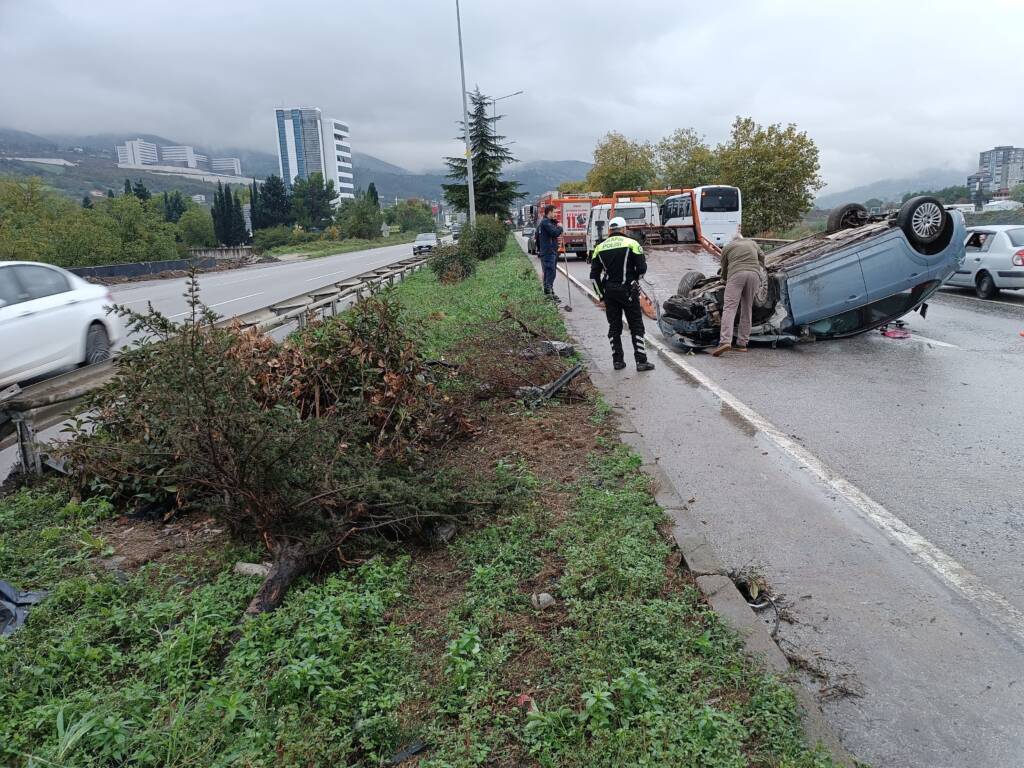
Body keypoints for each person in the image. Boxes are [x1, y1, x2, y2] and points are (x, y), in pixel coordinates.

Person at [589, 217, 655, 372]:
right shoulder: (632, 243)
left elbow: (593, 276)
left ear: (610, 231)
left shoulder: (600, 247)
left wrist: (601, 296)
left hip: (610, 292)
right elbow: (642, 269)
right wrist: (634, 278)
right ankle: (641, 361)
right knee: (636, 325)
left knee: (614, 326)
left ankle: (617, 361)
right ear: (624, 230)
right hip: (628, 290)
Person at [712, 229, 765, 356]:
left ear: (733, 240)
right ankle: (742, 343)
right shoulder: (752, 243)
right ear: (742, 238)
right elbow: (762, 256)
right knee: (747, 308)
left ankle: (725, 341)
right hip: (754, 275)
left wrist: (724, 279)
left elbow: (724, 267)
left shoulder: (727, 247)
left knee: (730, 307)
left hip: (736, 274)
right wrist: (760, 268)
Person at [536, 205, 563, 299]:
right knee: (550, 272)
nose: (556, 214)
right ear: (549, 212)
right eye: (555, 212)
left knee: (549, 272)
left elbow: (537, 237)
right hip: (548, 252)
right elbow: (554, 233)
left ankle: (550, 292)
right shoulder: (545, 223)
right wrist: (560, 228)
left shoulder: (547, 223)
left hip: (549, 251)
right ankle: (548, 293)